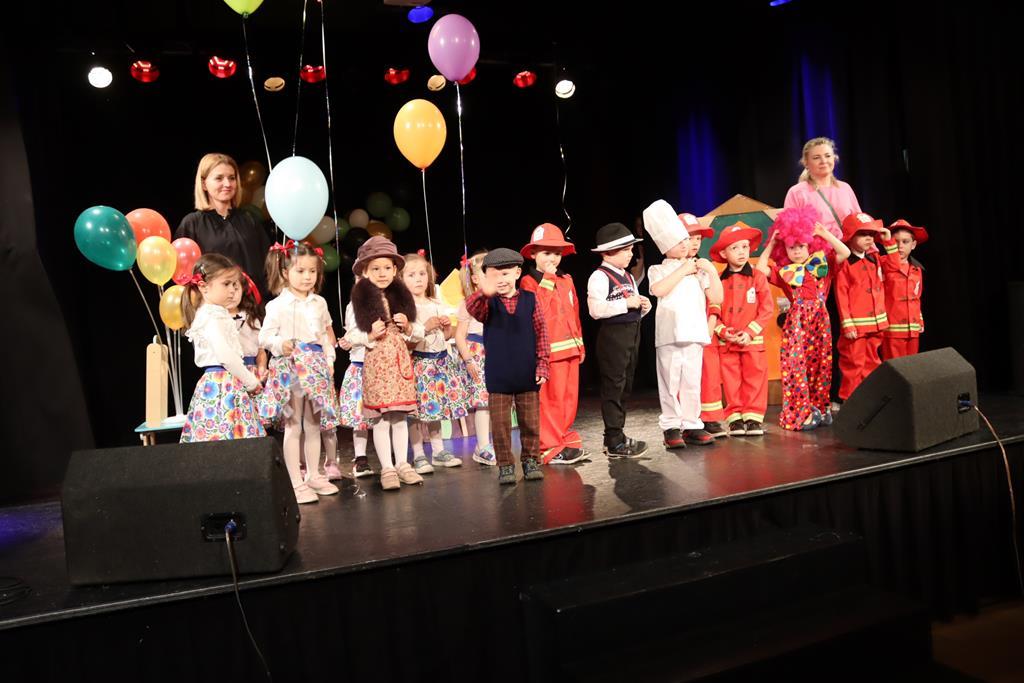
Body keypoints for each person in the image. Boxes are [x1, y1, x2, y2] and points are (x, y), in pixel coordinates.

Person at [756, 206, 851, 431]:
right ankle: (800, 412)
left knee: (821, 365)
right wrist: (772, 244)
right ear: (785, 249)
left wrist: (824, 234)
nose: (797, 251)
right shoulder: (785, 272)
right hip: (797, 323)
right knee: (795, 366)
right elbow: (760, 269)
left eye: (801, 246)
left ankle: (819, 407)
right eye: (792, 247)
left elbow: (845, 253)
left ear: (810, 245)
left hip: (820, 322)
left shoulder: (823, 266)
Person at [259, 241, 340, 504]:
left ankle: (314, 475)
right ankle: (295, 481)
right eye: (300, 271)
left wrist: (329, 359)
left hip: (315, 367)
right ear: (285, 272)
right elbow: (265, 336)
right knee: (294, 425)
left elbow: (325, 336)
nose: (307, 277)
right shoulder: (278, 305)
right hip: (292, 367)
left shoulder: (319, 303)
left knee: (314, 424)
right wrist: (280, 344)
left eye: (312, 271)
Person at [464, 248, 549, 485]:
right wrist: (484, 292)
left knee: (530, 422)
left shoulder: (530, 300)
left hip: (526, 371)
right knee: (500, 425)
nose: (500, 280)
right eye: (494, 275)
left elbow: (542, 333)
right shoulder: (487, 304)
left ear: (517, 273)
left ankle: (531, 461)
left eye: (505, 274)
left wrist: (542, 364)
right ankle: (505, 465)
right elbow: (472, 308)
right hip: (499, 374)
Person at [643, 201, 723, 449]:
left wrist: (711, 272)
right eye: (680, 242)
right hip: (669, 334)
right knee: (670, 382)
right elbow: (659, 290)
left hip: (694, 333)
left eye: (687, 241)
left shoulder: (699, 269)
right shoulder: (658, 269)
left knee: (691, 382)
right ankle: (670, 426)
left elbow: (717, 298)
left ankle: (692, 424)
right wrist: (684, 270)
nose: (686, 245)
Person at [349, 236, 422, 491]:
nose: (382, 273)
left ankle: (402, 464)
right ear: (365, 271)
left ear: (394, 270)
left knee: (399, 417)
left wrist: (408, 326)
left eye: (387, 268)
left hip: (399, 363)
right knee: (381, 419)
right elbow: (350, 336)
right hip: (377, 364)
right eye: (376, 268)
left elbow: (419, 332)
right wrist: (369, 335)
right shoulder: (359, 300)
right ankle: (387, 468)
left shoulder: (401, 296)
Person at [518, 223, 588, 465]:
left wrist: (580, 344)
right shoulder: (528, 283)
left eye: (557, 253)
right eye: (547, 253)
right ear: (533, 254)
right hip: (548, 352)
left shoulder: (566, 280)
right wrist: (547, 279)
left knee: (569, 398)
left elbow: (574, 313)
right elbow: (540, 311)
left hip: (570, 348)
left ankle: (563, 438)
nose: (553, 259)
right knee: (549, 401)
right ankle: (548, 446)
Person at [179, 254, 265, 443]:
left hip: (226, 383)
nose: (232, 290)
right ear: (204, 287)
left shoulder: (216, 313)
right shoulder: (212, 316)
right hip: (221, 386)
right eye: (226, 284)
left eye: (234, 284)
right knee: (224, 439)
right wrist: (250, 381)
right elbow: (226, 356)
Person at [587, 222, 652, 457]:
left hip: (632, 333)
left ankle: (618, 434)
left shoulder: (628, 276)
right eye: (625, 250)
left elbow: (632, 304)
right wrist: (627, 303)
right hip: (613, 337)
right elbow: (596, 310)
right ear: (608, 253)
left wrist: (642, 306)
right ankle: (613, 440)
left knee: (626, 386)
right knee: (614, 387)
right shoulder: (599, 276)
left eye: (630, 249)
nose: (630, 254)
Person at [402, 250, 465, 473]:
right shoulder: (405, 308)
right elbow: (406, 342)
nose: (418, 279)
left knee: (435, 408)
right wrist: (425, 327)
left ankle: (439, 451)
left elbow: (446, 336)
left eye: (422, 274)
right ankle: (418, 454)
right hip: (419, 363)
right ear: (401, 279)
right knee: (416, 413)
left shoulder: (436, 302)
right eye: (411, 275)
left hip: (439, 362)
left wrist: (446, 327)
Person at [175, 153, 272, 297]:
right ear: (204, 184)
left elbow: (268, 266)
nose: (227, 184)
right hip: (215, 306)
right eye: (219, 178)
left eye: (231, 178)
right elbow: (183, 276)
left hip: (253, 305)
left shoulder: (249, 220)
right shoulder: (192, 224)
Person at [709, 223, 774, 436]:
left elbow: (766, 309)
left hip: (752, 342)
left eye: (745, 247)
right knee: (731, 381)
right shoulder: (718, 280)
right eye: (735, 248)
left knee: (755, 378)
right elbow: (712, 311)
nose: (741, 252)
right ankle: (735, 418)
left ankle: (753, 418)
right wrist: (723, 331)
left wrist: (750, 333)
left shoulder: (757, 277)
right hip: (727, 343)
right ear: (723, 253)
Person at [835, 213, 898, 402]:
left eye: (871, 234)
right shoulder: (845, 264)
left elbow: (894, 267)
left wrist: (888, 242)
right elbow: (841, 294)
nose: (869, 238)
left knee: (873, 362)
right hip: (857, 325)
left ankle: (870, 400)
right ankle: (850, 400)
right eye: (863, 234)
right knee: (853, 363)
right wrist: (847, 324)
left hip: (876, 323)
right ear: (850, 237)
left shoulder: (875, 258)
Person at [454, 251, 496, 466]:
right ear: (475, 278)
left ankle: (494, 442)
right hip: (477, 353)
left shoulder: (499, 301)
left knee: (496, 401)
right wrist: (469, 360)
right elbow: (459, 336)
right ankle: (482, 446)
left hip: (496, 352)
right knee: (483, 403)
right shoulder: (469, 304)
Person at [783, 137, 862, 238]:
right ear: (806, 162)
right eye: (816, 157)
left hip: (847, 247)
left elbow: (861, 224)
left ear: (834, 158)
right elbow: (790, 231)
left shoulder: (845, 188)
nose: (823, 161)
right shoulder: (797, 192)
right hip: (815, 248)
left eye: (828, 156)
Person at [337, 292, 374, 479]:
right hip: (359, 365)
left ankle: (393, 459)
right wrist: (347, 341)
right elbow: (351, 331)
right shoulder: (352, 305)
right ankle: (360, 458)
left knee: (387, 417)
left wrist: (354, 339)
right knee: (359, 417)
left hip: (380, 367)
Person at [880, 219, 928, 359]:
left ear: (913, 245)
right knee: (894, 367)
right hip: (892, 328)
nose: (900, 246)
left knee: (912, 367)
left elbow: (916, 297)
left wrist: (919, 320)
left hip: (912, 328)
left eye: (905, 242)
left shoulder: (917, 269)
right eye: (895, 241)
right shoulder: (882, 264)